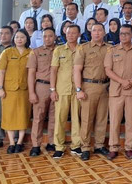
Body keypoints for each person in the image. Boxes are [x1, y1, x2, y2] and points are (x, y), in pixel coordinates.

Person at [74, 23, 112, 160]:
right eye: (94, 30)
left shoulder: (110, 49)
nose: (97, 33)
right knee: (87, 118)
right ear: (90, 32)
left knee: (102, 118)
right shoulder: (83, 48)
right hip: (89, 86)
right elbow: (77, 70)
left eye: (99, 30)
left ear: (104, 32)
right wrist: (78, 89)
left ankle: (99, 145)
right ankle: (85, 147)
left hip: (106, 87)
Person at [105, 24, 132, 160]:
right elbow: (108, 70)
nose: (123, 36)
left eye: (126, 33)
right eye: (121, 34)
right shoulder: (112, 50)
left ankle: (129, 147)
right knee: (114, 120)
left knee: (131, 120)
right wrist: (122, 81)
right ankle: (113, 147)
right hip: (116, 91)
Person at [0, 30, 32, 154]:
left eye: (22, 37)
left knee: (23, 115)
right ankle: (11, 142)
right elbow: (1, 71)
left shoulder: (31, 53)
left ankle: (20, 142)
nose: (19, 39)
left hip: (25, 89)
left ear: (26, 39)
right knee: (9, 115)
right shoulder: (7, 52)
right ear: (14, 39)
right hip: (9, 89)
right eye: (17, 37)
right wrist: (0, 88)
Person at [50, 25, 83, 158]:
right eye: (69, 33)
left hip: (78, 89)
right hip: (62, 88)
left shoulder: (82, 49)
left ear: (79, 34)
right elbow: (53, 70)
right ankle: (59, 146)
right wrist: (52, 89)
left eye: (74, 33)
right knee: (60, 118)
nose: (71, 35)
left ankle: (76, 146)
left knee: (76, 118)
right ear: (65, 34)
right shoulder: (58, 50)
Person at [27, 27, 58, 156]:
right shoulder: (36, 52)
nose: (47, 39)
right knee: (38, 118)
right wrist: (32, 92)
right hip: (41, 87)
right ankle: (36, 145)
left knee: (54, 117)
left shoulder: (60, 50)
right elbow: (31, 73)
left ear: (55, 37)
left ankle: (52, 142)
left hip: (57, 87)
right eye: (45, 36)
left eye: (50, 36)